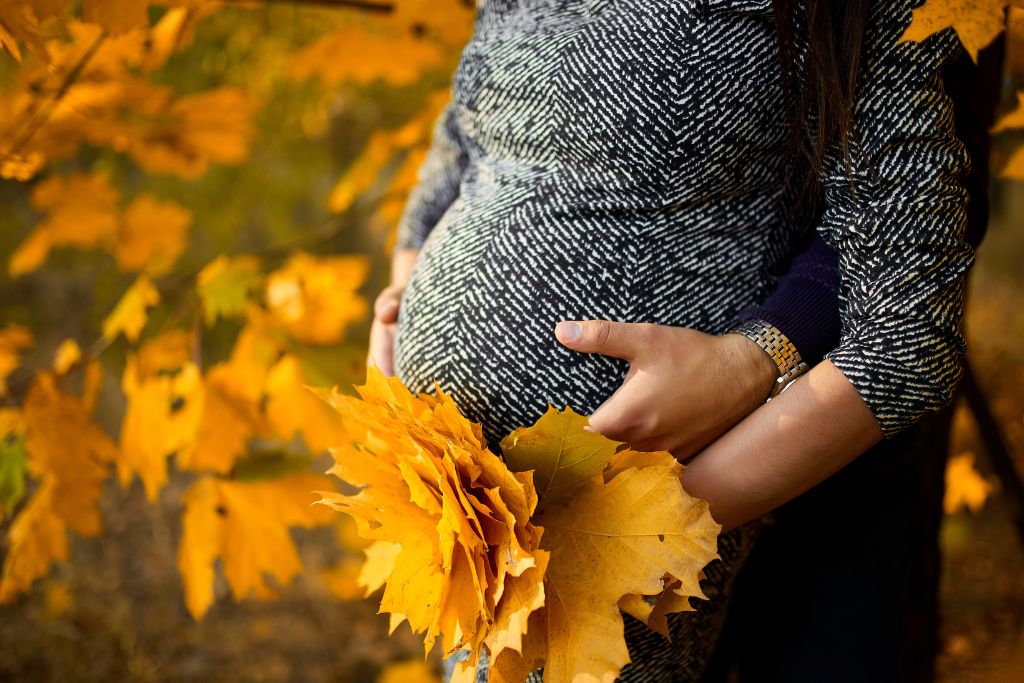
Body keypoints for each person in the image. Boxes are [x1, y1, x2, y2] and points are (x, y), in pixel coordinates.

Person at [367, 0, 974, 679]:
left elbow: (907, 335)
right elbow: (460, 150)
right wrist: (398, 310)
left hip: (601, 538)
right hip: (444, 499)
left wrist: (640, 530)